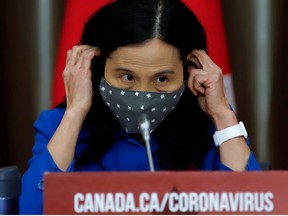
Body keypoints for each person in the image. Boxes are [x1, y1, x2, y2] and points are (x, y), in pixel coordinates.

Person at [20, 0, 261, 214]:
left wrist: (222, 115)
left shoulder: (211, 129)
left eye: (162, 79)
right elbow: (33, 210)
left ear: (190, 72)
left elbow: (254, 208)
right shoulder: (59, 124)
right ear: (98, 68)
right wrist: (75, 112)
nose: (143, 94)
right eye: (127, 77)